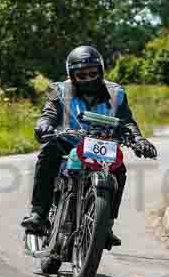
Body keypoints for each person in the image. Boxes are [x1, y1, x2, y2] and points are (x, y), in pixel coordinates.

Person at [20, 46, 158, 249]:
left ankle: (106, 225)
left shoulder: (116, 92)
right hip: (68, 141)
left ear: (101, 71)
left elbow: (127, 121)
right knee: (48, 153)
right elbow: (48, 113)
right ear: (71, 75)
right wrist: (44, 125)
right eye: (81, 75)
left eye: (93, 73)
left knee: (119, 171)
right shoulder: (58, 90)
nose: (88, 78)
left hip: (102, 143)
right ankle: (39, 214)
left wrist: (139, 140)